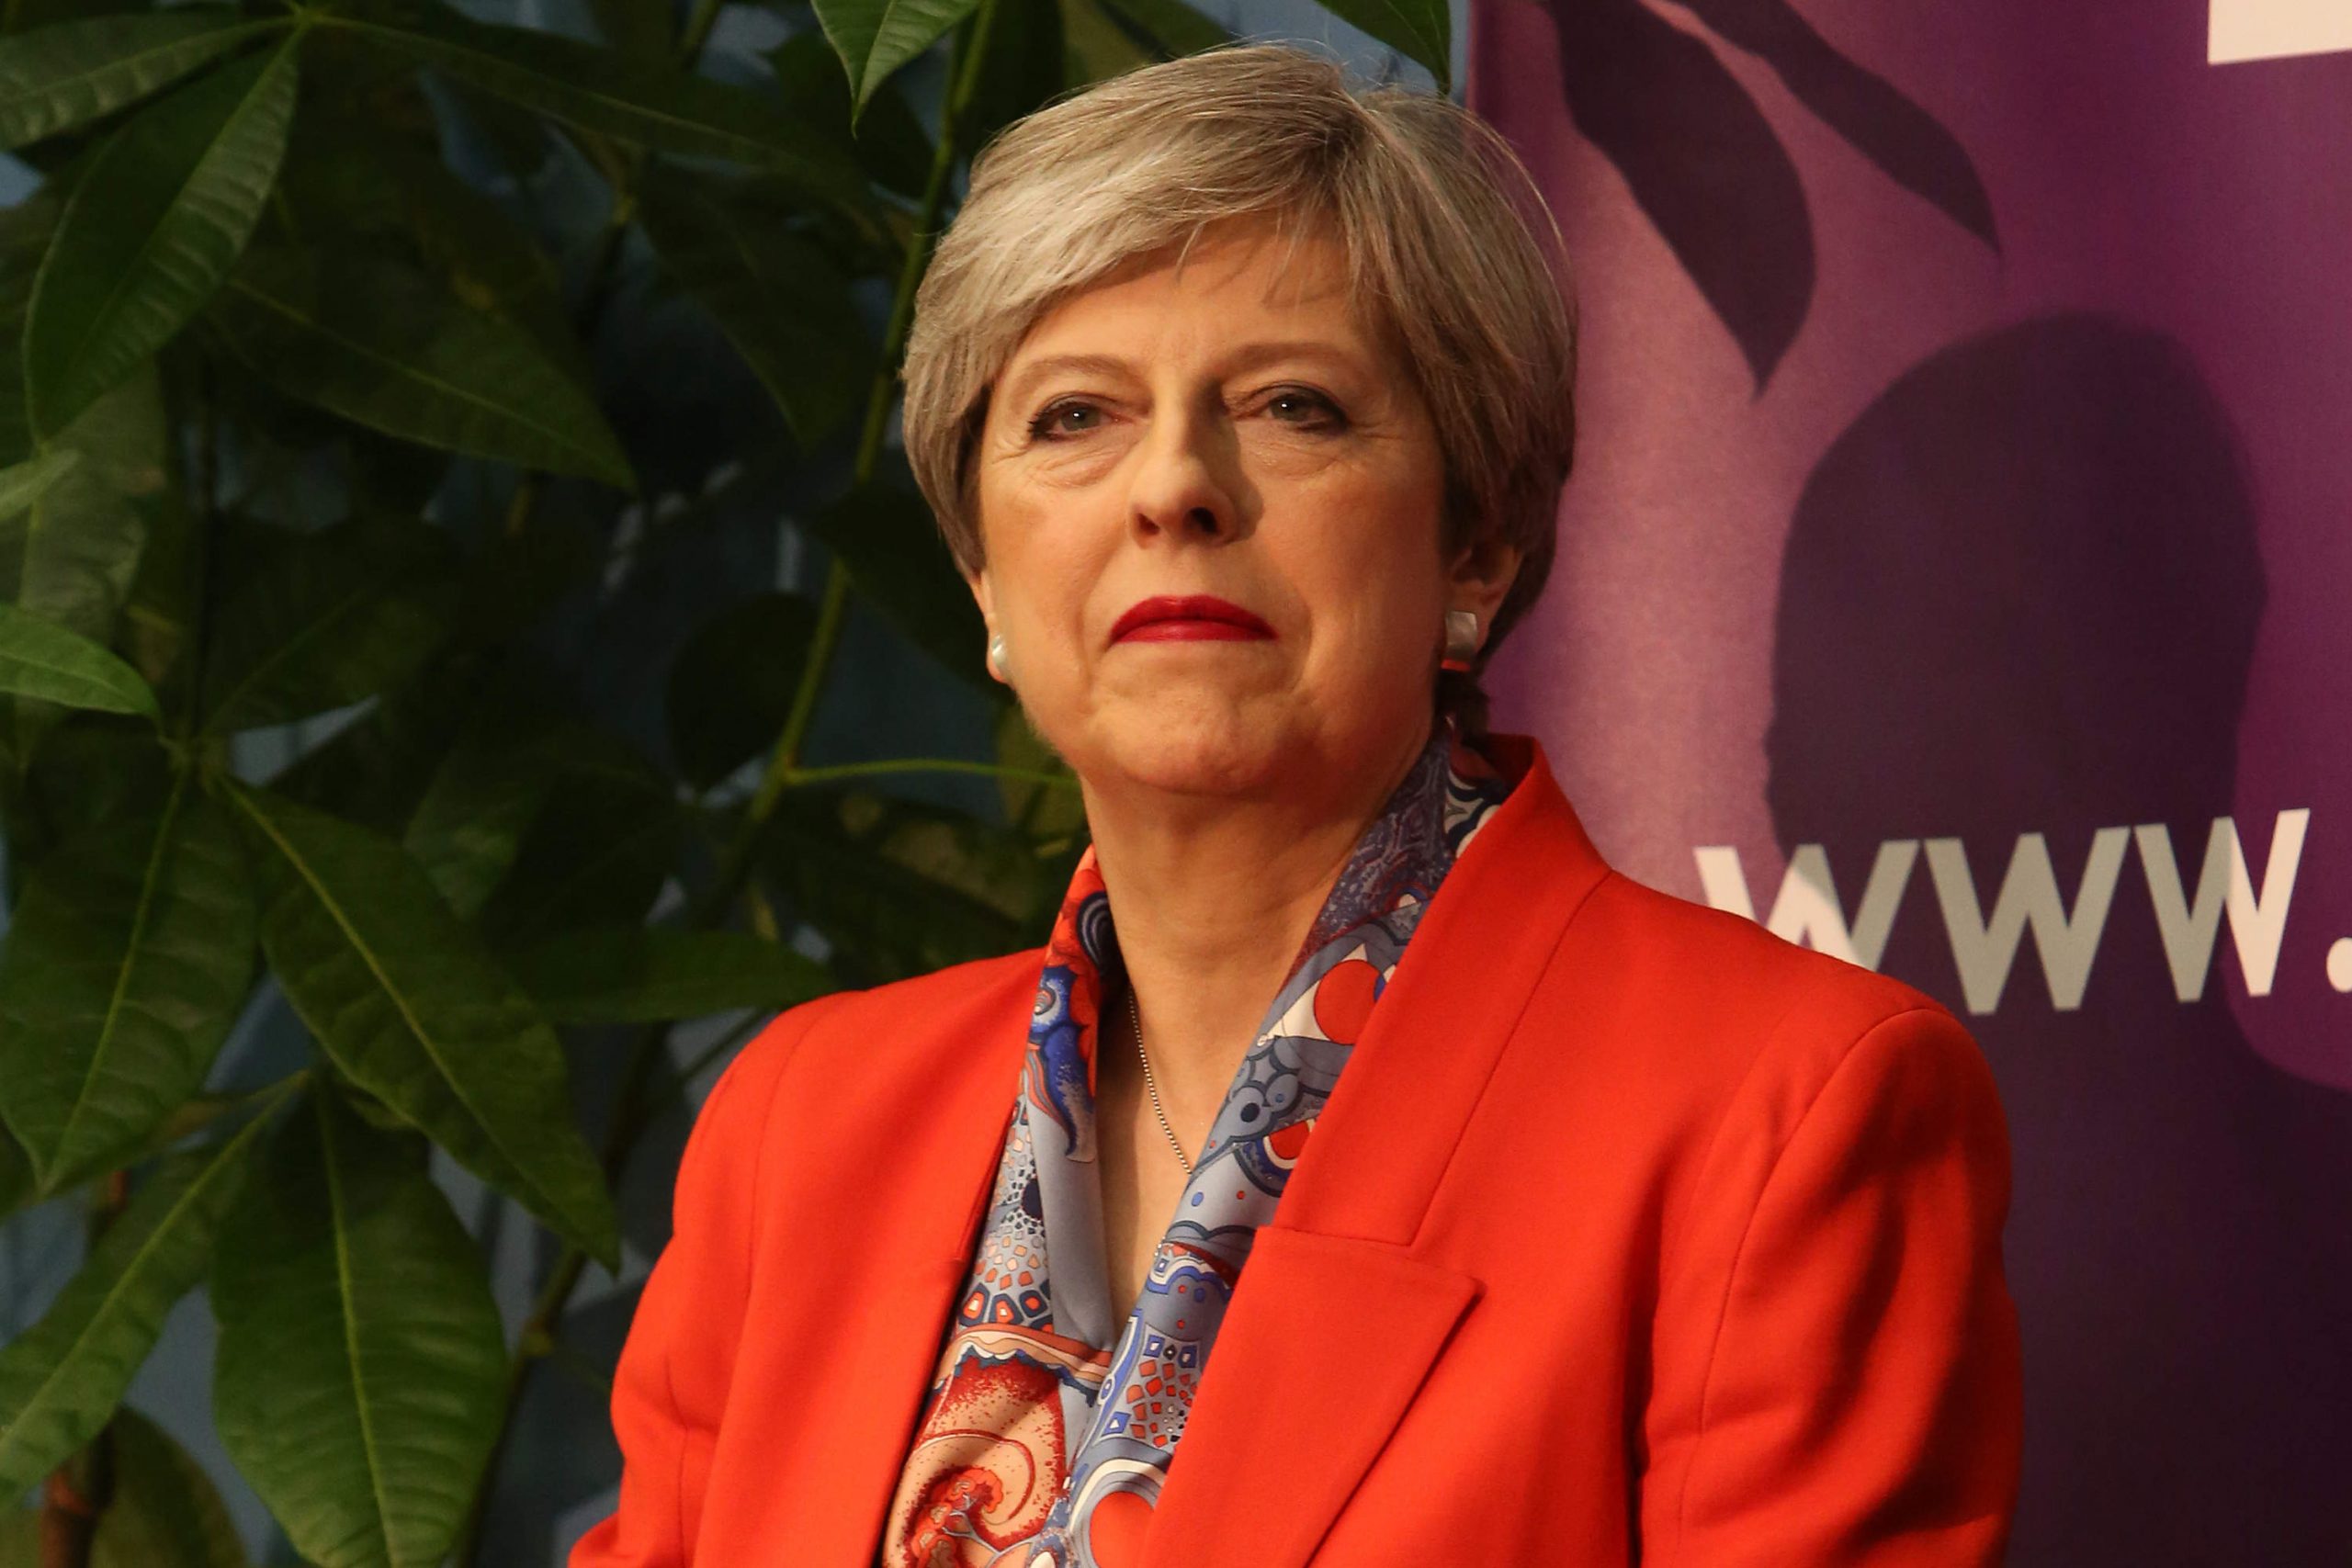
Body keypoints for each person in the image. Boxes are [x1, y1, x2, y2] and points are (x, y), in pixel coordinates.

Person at [571, 41, 2020, 1568]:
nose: (1173, 487)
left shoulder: (1782, 1114)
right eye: (1074, 416)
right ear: (983, 578)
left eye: (1290, 406)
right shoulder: (801, 1128)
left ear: (1477, 544)